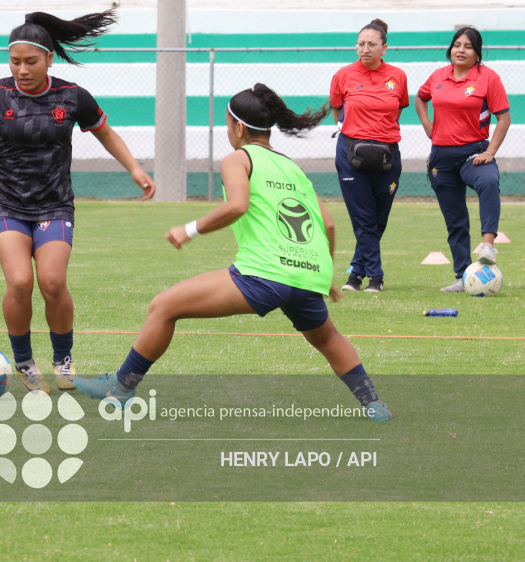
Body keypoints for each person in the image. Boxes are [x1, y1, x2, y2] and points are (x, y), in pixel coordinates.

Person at [74, 84, 392, 422]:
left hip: (264, 275)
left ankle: (122, 389)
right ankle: (373, 404)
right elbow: (327, 225)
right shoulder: (292, 167)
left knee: (163, 306)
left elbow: (237, 205)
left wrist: (189, 229)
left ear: (238, 127)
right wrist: (324, 276)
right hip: (307, 274)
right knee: (328, 338)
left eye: (228, 124)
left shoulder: (237, 159)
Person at [0, 10, 155, 395]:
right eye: (15, 61)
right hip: (4, 202)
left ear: (49, 58)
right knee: (20, 281)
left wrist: (135, 170)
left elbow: (105, 133)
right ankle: (23, 362)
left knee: (53, 282)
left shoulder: (72, 96)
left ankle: (63, 360)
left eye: (31, 62)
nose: (22, 69)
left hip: (54, 204)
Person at [415, 26, 510, 292]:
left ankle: (488, 244)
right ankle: (462, 275)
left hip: (473, 154)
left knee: (489, 182)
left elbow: (504, 118)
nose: (461, 50)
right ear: (451, 48)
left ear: (477, 53)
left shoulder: (488, 78)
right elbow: (420, 98)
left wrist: (490, 152)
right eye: (457, 44)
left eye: (468, 46)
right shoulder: (437, 76)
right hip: (441, 158)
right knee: (455, 220)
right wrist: (427, 126)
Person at [329, 19, 408, 293]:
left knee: (378, 219)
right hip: (351, 153)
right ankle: (376, 277)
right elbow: (337, 112)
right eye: (361, 44)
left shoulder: (398, 76)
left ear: (384, 48)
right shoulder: (342, 75)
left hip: (387, 154)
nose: (365, 49)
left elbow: (397, 110)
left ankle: (355, 273)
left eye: (372, 44)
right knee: (363, 217)